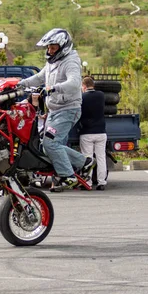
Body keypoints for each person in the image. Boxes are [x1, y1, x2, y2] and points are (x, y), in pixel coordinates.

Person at [17, 28, 93, 192]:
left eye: (53, 47)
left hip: (68, 109)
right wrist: (21, 84)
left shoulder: (71, 62)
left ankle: (68, 175)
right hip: (54, 110)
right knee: (47, 146)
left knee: (51, 143)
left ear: (63, 46)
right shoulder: (52, 62)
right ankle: (84, 162)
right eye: (48, 47)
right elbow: (39, 78)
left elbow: (74, 83)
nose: (49, 50)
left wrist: (52, 89)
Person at [78, 76, 107, 191]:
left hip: (87, 132)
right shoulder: (101, 95)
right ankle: (101, 182)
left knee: (87, 158)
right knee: (101, 157)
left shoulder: (82, 97)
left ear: (84, 86)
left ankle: (88, 182)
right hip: (101, 131)